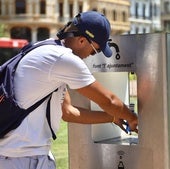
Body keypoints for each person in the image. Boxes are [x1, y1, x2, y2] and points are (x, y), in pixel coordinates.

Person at [0, 11, 138, 169]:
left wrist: (113, 118)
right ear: (81, 40)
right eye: (95, 50)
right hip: (24, 159)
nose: (92, 56)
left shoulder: (44, 47)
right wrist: (134, 118)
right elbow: (109, 101)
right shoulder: (63, 59)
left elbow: (68, 112)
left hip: (13, 155)